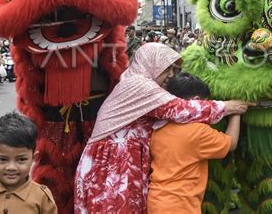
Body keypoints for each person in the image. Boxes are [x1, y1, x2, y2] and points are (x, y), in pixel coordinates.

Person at [74, 43, 252, 213]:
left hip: (118, 162)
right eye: (167, 68)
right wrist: (229, 107)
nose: (171, 75)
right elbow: (181, 109)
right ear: (151, 63)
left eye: (174, 69)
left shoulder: (134, 82)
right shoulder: (140, 85)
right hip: (110, 164)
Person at [147, 72, 242, 213]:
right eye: (207, 102)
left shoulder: (157, 127)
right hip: (181, 205)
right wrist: (236, 112)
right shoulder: (198, 132)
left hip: (156, 200)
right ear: (197, 101)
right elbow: (231, 143)